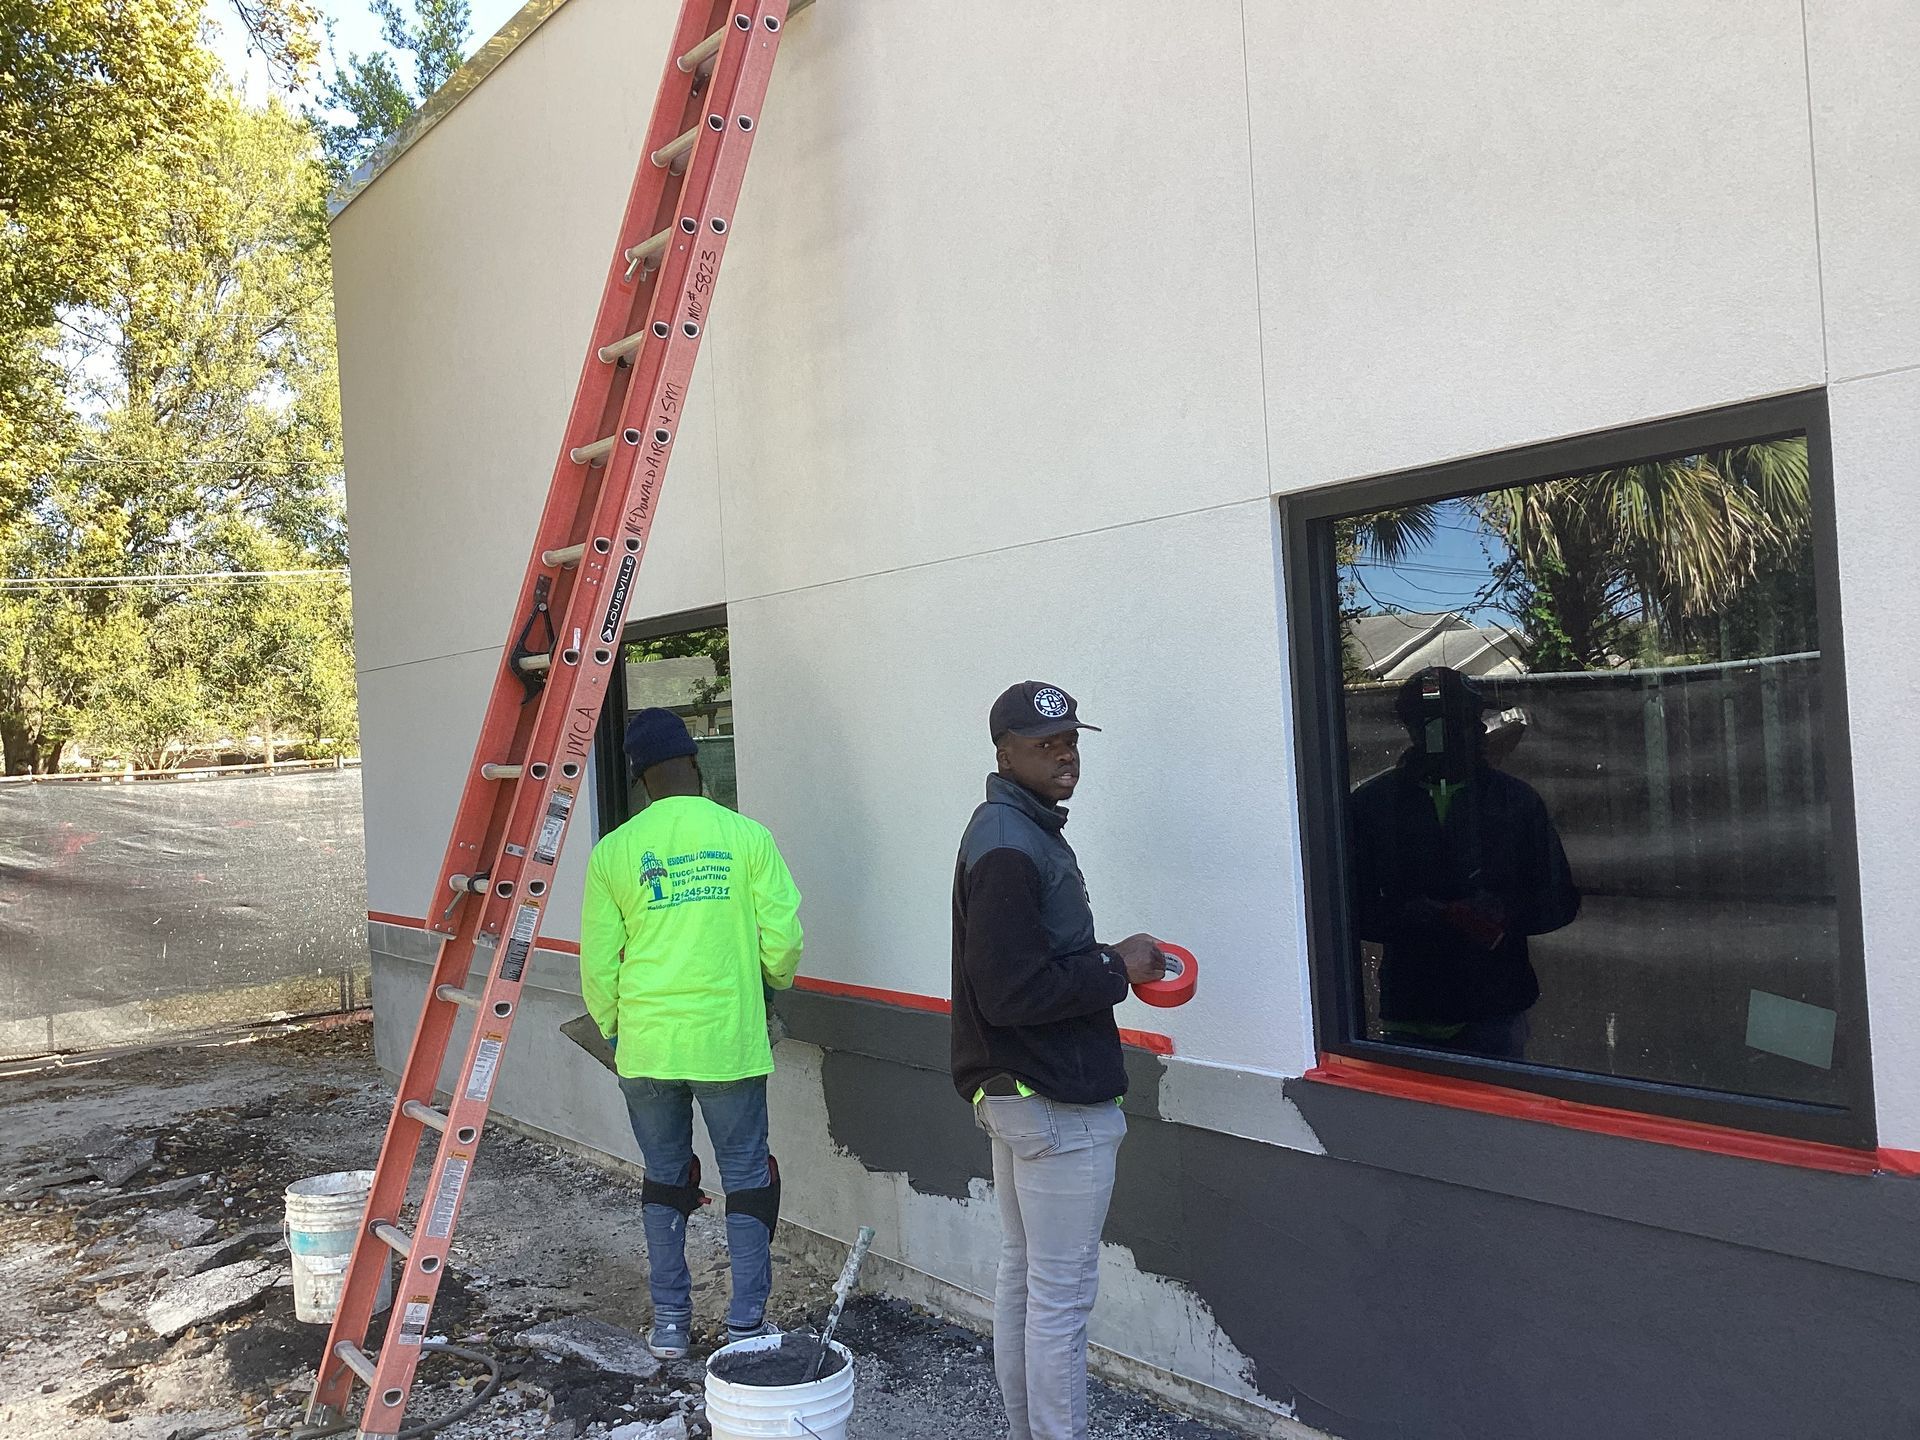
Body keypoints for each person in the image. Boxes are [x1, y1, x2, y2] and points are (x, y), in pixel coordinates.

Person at [950, 680, 1166, 1440]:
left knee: (1028, 1284)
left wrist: (1109, 963)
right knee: (1059, 1302)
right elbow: (1010, 989)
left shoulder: (1017, 831)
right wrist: (1118, 970)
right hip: (1052, 1101)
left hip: (1024, 1095)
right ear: (1004, 752)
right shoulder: (1009, 843)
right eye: (1045, 744)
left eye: (1071, 739)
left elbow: (1020, 970)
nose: (1065, 753)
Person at [580, 708, 804, 1359]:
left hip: (647, 1047)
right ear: (695, 763)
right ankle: (747, 1328)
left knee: (665, 1178)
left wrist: (617, 1033)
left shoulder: (614, 851)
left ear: (639, 778)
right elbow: (784, 941)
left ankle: (671, 1325)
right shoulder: (745, 837)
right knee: (747, 1178)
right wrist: (765, 987)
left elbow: (599, 969)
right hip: (727, 1043)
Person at [1349, 666, 1579, 1059]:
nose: (1477, 733)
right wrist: (1418, 916)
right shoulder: (1372, 805)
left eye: (1474, 722)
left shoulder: (1517, 802)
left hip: (1496, 1008)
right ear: (1422, 732)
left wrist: (1503, 914)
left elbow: (1559, 900)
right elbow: (1348, 907)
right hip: (1412, 1010)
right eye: (1458, 723)